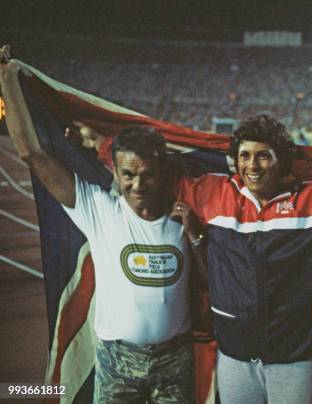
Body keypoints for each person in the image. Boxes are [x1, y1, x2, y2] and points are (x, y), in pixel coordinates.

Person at [0, 48, 203, 403]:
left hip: (176, 360)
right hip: (116, 361)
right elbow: (33, 153)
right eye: (127, 175)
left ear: (163, 173)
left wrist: (197, 235)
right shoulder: (98, 208)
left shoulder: (186, 215)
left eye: (147, 175)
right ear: (117, 173)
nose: (137, 185)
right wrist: (8, 79)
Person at [176, 114, 312, 404]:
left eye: (263, 156)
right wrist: (100, 145)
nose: (252, 166)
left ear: (280, 160)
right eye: (244, 156)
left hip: (295, 358)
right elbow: (151, 169)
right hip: (234, 357)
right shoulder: (212, 193)